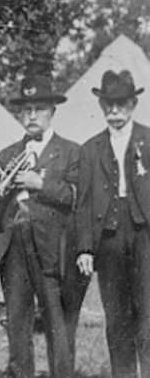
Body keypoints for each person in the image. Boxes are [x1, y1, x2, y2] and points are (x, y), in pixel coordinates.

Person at [0, 72, 79, 378]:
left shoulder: (71, 151)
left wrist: (40, 182)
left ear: (52, 112)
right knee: (17, 319)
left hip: (51, 247)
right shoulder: (7, 153)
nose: (31, 116)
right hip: (14, 245)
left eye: (38, 109)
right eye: (26, 110)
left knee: (57, 319)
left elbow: (76, 197)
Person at [75, 68, 150, 378]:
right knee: (116, 316)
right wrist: (85, 249)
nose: (115, 111)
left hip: (145, 235)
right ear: (101, 107)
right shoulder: (90, 148)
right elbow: (84, 202)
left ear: (133, 105)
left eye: (121, 104)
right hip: (108, 239)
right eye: (109, 105)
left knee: (147, 315)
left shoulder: (148, 139)